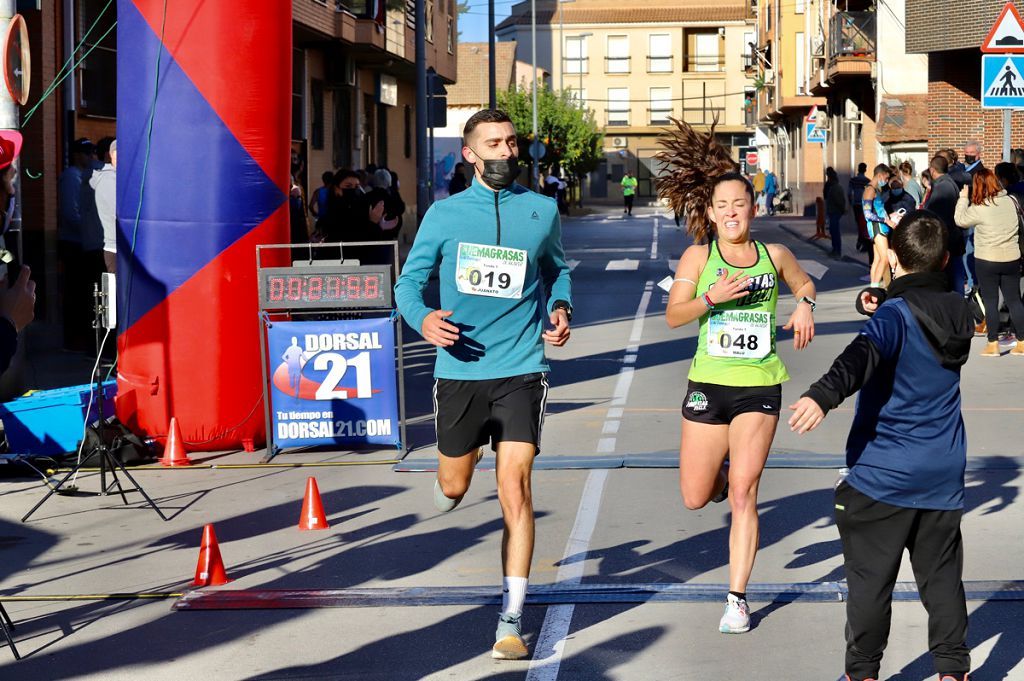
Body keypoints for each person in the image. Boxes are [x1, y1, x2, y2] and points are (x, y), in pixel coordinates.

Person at [394, 108, 573, 660]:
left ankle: (511, 621)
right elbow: (409, 282)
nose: (505, 152)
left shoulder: (541, 210)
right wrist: (421, 319)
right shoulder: (443, 216)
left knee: (515, 488)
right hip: (460, 371)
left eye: (511, 142)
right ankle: (450, 481)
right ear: (470, 153)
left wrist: (561, 304)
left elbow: (556, 268)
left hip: (522, 367)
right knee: (453, 485)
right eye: (492, 143)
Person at [789, 211, 973, 681]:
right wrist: (887, 298)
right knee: (942, 579)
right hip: (943, 469)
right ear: (946, 259)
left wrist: (822, 395)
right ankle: (953, 670)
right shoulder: (959, 311)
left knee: (871, 584)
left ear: (891, 255)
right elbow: (920, 315)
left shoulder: (893, 315)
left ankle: (863, 672)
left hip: (883, 473)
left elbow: (863, 354)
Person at [657, 118, 817, 635]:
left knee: (747, 491)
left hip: (759, 384)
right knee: (695, 496)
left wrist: (806, 306)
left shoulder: (775, 255)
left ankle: (737, 598)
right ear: (709, 211)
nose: (731, 213)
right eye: (721, 206)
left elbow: (804, 282)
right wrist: (711, 298)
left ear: (753, 208)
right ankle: (720, 476)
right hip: (708, 385)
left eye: (739, 204)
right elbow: (674, 315)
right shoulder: (698, 256)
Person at [953, 167, 1024, 357]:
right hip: (1011, 258)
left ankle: (993, 344)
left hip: (987, 260)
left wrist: (963, 198)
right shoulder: (1011, 201)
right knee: (1014, 300)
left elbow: (959, 220)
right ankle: (1022, 342)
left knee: (991, 301)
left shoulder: (980, 208)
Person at [58, 138, 103, 352]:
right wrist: (88, 228)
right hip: (73, 243)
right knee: (76, 292)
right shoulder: (71, 177)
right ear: (77, 155)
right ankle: (73, 340)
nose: (91, 156)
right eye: (87, 153)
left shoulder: (84, 177)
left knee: (82, 292)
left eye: (92, 152)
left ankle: (79, 338)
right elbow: (70, 213)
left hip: (82, 242)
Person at [924, 155, 969, 296]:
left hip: (947, 242)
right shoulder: (946, 183)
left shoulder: (942, 187)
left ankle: (956, 311)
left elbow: (938, 216)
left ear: (932, 170)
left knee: (953, 282)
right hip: (950, 240)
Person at [862, 164, 896, 288]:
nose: (886, 181)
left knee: (877, 260)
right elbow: (867, 214)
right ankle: (875, 287)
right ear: (879, 175)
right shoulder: (870, 190)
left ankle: (873, 287)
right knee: (885, 258)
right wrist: (885, 220)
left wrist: (891, 216)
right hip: (877, 226)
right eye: (886, 178)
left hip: (880, 225)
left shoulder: (875, 190)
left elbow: (878, 210)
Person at [90, 138, 117, 273]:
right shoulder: (109, 180)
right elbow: (115, 214)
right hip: (115, 247)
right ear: (111, 156)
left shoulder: (114, 178)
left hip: (113, 245)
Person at [824, 167, 847, 259]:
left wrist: (842, 209)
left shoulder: (836, 187)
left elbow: (839, 200)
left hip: (835, 212)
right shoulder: (831, 186)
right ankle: (835, 249)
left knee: (835, 231)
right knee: (833, 231)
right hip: (832, 211)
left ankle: (837, 250)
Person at [848, 163, 870, 252]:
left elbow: (849, 193)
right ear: (865, 170)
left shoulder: (853, 181)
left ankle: (861, 240)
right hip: (865, 205)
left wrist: (850, 203)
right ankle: (862, 241)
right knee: (864, 224)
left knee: (859, 223)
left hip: (856, 205)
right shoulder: (867, 181)